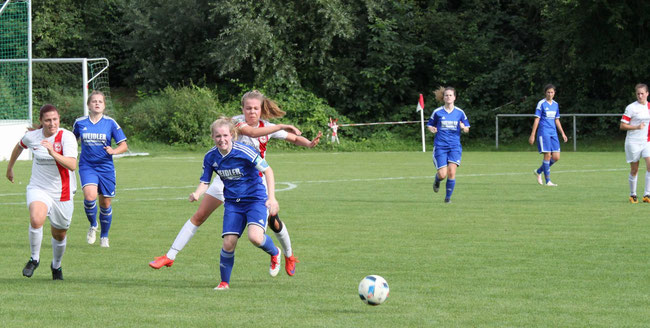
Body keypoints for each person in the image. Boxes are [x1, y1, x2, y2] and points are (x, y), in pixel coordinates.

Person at [150, 90, 320, 277]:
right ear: (243, 108)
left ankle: (289, 256)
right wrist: (281, 125)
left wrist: (309, 143)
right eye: (248, 108)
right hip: (226, 177)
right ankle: (170, 255)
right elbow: (252, 132)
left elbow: (294, 138)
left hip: (254, 182)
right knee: (200, 215)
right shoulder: (236, 122)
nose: (252, 112)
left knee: (274, 221)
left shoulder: (268, 127)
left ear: (261, 109)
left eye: (256, 108)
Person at [5, 104, 78, 280]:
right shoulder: (33, 137)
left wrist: (52, 152)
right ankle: (34, 258)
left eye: (55, 119)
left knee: (59, 234)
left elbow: (72, 165)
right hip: (39, 187)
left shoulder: (67, 137)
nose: (52, 123)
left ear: (59, 119)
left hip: (63, 192)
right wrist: (10, 168)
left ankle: (56, 265)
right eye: (47, 120)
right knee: (36, 219)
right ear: (41, 121)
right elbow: (19, 146)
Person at [73, 91, 128, 248]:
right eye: (94, 101)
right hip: (87, 166)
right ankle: (93, 225)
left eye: (100, 102)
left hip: (106, 168)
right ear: (88, 104)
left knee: (105, 203)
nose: (97, 103)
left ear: (104, 105)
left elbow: (124, 145)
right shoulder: (80, 123)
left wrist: (114, 151)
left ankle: (104, 237)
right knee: (90, 197)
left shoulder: (110, 123)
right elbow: (71, 140)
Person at [427, 87, 470, 203]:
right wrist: (432, 129)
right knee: (442, 174)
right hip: (440, 146)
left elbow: (467, 129)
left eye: (451, 95)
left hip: (454, 146)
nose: (448, 97)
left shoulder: (459, 112)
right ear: (443, 97)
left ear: (454, 97)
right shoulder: (437, 112)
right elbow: (430, 124)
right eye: (446, 95)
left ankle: (447, 198)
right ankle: (437, 180)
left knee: (451, 172)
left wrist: (463, 128)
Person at [529, 84, 568, 187]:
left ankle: (538, 171)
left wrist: (563, 133)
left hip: (553, 133)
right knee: (547, 155)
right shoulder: (541, 104)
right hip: (544, 132)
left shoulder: (555, 104)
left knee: (556, 157)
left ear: (554, 93)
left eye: (552, 92)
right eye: (548, 92)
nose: (550, 94)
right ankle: (548, 181)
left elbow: (557, 119)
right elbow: (537, 119)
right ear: (545, 93)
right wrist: (533, 135)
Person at [619, 83, 650, 203]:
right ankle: (633, 194)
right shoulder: (631, 108)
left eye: (642, 93)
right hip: (633, 142)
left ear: (647, 93)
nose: (640, 96)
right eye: (638, 94)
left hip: (647, 141)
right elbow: (622, 125)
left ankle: (647, 195)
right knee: (634, 169)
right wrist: (637, 127)